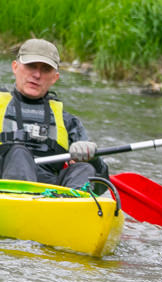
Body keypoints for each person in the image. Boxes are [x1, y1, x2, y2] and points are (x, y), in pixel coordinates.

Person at [0, 39, 108, 189]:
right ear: (15, 67)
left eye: (45, 69)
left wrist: (93, 159)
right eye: (31, 66)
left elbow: (101, 187)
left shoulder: (68, 122)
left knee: (85, 169)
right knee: (19, 152)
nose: (37, 75)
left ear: (55, 78)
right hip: (5, 189)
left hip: (51, 197)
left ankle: (73, 207)